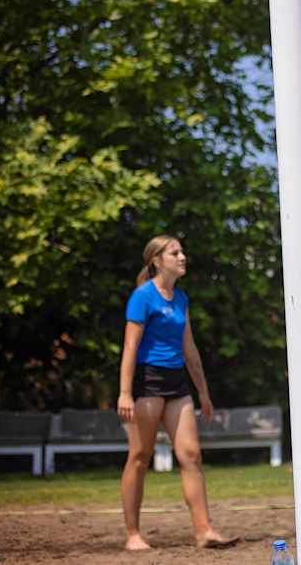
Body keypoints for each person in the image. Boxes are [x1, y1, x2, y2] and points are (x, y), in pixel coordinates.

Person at [117, 234, 238, 551]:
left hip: (177, 383)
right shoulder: (142, 297)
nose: (182, 256)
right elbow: (130, 347)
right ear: (157, 260)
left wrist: (204, 393)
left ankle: (204, 531)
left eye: (182, 251)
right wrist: (124, 393)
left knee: (191, 455)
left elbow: (190, 349)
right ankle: (133, 535)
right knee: (140, 457)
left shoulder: (181, 298)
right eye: (175, 252)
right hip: (148, 381)